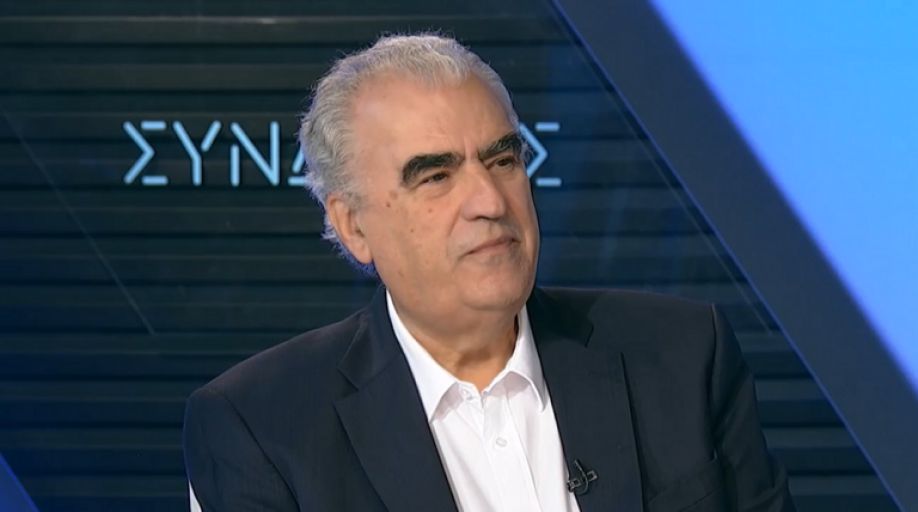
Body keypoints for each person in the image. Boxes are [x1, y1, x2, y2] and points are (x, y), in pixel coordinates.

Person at [183, 33, 795, 512]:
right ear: (354, 226)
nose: (490, 201)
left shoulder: (684, 356)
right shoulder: (261, 426)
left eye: (503, 160)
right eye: (435, 175)